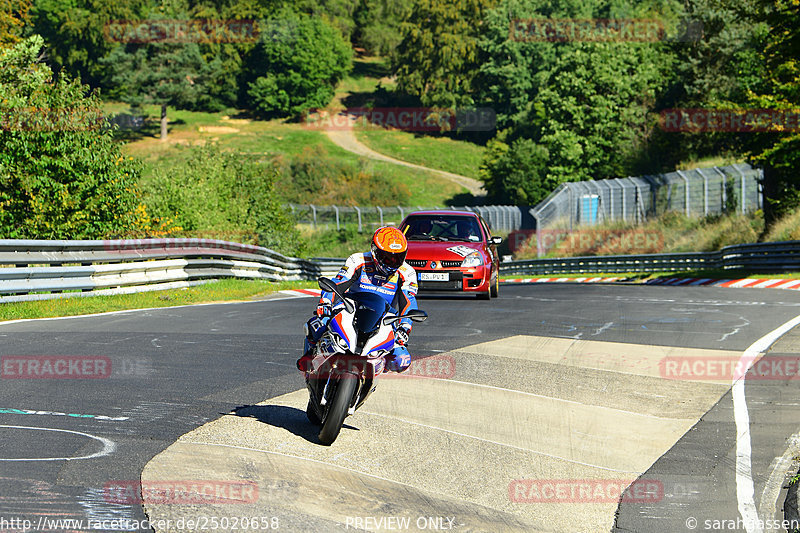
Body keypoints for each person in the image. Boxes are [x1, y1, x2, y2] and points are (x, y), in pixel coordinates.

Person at [297, 226, 419, 373]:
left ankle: (374, 372)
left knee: (402, 360)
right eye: (387, 257)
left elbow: (408, 301)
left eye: (397, 258)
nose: (392, 262)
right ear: (375, 251)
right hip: (351, 307)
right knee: (317, 324)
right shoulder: (358, 260)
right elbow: (339, 283)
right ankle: (310, 356)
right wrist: (326, 303)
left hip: (384, 318)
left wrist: (404, 327)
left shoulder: (408, 272)